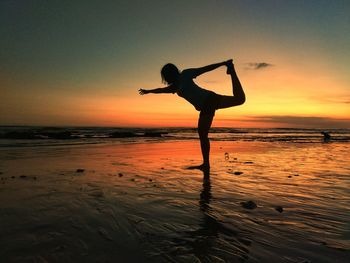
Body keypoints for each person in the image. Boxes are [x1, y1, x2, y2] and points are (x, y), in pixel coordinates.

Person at [139, 59, 245, 172]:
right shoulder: (174, 87)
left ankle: (206, 164)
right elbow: (161, 90)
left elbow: (204, 69)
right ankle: (206, 164)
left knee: (204, 133)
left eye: (166, 76)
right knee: (238, 101)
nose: (166, 79)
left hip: (209, 100)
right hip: (206, 105)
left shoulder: (186, 74)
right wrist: (148, 91)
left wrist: (222, 64)